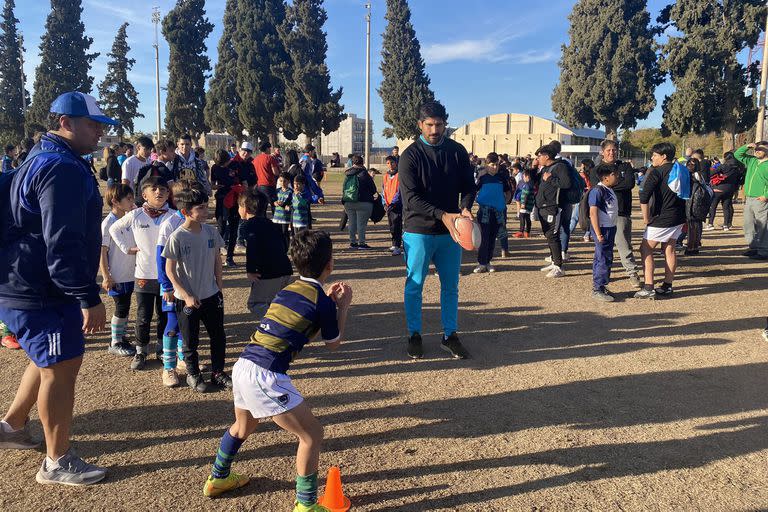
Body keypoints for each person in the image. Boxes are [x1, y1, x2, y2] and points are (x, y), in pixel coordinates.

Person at [0, 91, 112, 485]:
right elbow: (60, 242)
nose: (100, 132)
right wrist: (86, 295)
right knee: (60, 370)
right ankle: (56, 461)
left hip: (28, 283)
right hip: (41, 290)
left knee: (47, 360)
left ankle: (13, 425)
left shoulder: (41, 158)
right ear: (65, 122)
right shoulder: (60, 168)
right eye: (92, 124)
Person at [200, 230, 352, 512]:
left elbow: (299, 321)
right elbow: (333, 343)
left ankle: (218, 478)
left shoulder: (289, 289)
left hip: (244, 365)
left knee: (244, 426)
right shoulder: (321, 301)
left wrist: (329, 304)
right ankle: (306, 506)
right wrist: (342, 307)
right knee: (312, 435)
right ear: (330, 264)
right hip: (266, 374)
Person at [398, 100, 475, 360]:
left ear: (445, 123)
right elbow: (411, 199)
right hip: (418, 230)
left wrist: (465, 207)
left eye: (439, 124)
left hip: (450, 232)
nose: (434, 130)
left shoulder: (457, 151)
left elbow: (469, 186)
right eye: (429, 125)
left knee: (451, 286)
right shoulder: (410, 156)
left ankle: (449, 336)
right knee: (414, 285)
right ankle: (414, 335)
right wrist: (443, 215)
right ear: (420, 125)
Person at [164, 187, 230, 393]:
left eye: (206, 206)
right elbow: (169, 269)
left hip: (211, 296)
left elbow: (217, 260)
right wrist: (185, 295)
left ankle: (218, 372)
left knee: (218, 335)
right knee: (190, 339)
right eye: (201, 208)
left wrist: (219, 288)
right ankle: (193, 373)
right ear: (186, 212)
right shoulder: (177, 237)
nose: (206, 211)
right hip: (187, 300)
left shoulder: (211, 232)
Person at [110, 176, 176, 371]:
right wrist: (126, 248)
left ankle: (162, 349)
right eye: (153, 188)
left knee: (164, 315)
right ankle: (141, 351)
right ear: (144, 194)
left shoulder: (173, 215)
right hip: (143, 275)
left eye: (163, 188)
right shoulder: (136, 214)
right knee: (143, 316)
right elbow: (114, 228)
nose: (159, 192)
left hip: (167, 277)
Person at [156, 180, 205, 387]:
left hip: (191, 285)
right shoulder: (169, 223)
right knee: (173, 324)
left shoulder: (198, 223)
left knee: (187, 325)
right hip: (173, 286)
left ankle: (183, 358)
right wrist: (166, 285)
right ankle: (168, 368)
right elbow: (161, 257)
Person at [635, 142, 687, 299]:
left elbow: (643, 196)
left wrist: (646, 218)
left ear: (664, 156)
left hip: (662, 217)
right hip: (679, 216)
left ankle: (648, 286)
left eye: (655, 155)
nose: (652, 157)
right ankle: (667, 286)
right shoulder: (682, 169)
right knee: (669, 248)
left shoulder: (657, 172)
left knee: (645, 249)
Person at [591, 140, 641, 287]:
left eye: (614, 150)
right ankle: (603, 275)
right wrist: (617, 184)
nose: (611, 152)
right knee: (603, 248)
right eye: (608, 150)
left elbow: (629, 184)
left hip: (622, 212)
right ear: (602, 152)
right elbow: (597, 187)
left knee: (624, 245)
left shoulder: (624, 166)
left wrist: (610, 184)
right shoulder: (596, 170)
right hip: (603, 214)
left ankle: (632, 273)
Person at [240, 189, 293, 318]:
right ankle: (285, 323)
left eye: (239, 206)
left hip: (268, 273)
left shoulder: (248, 226)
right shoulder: (272, 224)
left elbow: (252, 248)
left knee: (256, 304)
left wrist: (251, 270)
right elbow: (285, 243)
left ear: (245, 208)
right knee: (279, 302)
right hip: (285, 268)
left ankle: (279, 325)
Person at [100, 184, 137, 357]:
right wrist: (106, 276)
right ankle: (115, 341)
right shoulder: (108, 223)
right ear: (115, 201)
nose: (132, 202)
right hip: (117, 275)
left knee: (126, 305)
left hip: (130, 273)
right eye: (128, 199)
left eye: (132, 198)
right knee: (121, 307)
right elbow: (102, 251)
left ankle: (121, 336)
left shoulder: (129, 218)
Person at [535, 144, 572, 278]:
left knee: (553, 235)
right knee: (548, 235)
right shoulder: (545, 168)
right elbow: (535, 181)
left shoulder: (560, 166)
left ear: (546, 156)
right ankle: (553, 260)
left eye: (539, 156)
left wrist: (550, 179)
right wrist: (534, 167)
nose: (537, 158)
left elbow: (566, 184)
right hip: (543, 207)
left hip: (554, 207)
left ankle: (559, 266)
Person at [474, 152, 511, 273]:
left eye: (496, 165)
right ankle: (481, 263)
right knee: (483, 238)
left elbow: (508, 192)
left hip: (498, 213)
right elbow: (473, 190)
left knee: (492, 238)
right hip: (484, 212)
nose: (494, 167)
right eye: (492, 164)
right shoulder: (482, 178)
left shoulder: (502, 178)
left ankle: (488, 261)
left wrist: (503, 202)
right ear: (486, 165)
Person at [588, 166, 620, 302]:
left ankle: (600, 285)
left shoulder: (609, 190)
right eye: (615, 174)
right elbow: (593, 212)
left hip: (610, 228)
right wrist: (598, 233)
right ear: (606, 177)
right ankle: (598, 288)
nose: (617, 177)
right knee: (603, 258)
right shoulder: (597, 191)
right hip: (603, 229)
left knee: (604, 257)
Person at [211, 149, 245, 267]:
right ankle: (216, 257)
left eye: (224, 163)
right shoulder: (215, 168)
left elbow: (243, 181)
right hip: (221, 200)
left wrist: (240, 190)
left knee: (234, 228)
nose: (223, 166)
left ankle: (230, 257)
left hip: (235, 200)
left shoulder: (236, 165)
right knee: (221, 228)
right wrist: (215, 186)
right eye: (220, 164)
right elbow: (212, 183)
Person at [734, 142, 768, 260]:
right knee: (748, 224)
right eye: (756, 149)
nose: (757, 151)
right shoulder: (752, 161)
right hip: (749, 198)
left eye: (760, 149)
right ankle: (753, 247)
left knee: (762, 225)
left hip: (761, 200)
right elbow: (738, 155)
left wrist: (766, 195)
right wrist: (747, 147)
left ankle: (764, 250)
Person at [342, 154, 377, 249]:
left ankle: (352, 242)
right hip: (364, 202)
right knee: (361, 224)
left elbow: (344, 188)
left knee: (352, 222)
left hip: (349, 202)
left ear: (352, 163)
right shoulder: (364, 174)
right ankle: (361, 243)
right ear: (362, 163)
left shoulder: (347, 174)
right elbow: (373, 189)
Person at [705, 151, 742, 231]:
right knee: (726, 207)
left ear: (726, 158)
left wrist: (719, 175)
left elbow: (711, 173)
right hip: (730, 189)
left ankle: (710, 223)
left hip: (718, 188)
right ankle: (726, 225)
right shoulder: (737, 167)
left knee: (713, 206)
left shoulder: (723, 166)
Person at [133, 139, 178, 206]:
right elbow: (173, 190)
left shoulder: (152, 165)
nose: (174, 154)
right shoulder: (163, 169)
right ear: (162, 152)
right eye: (171, 151)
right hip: (163, 205)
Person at [383, 155, 403, 255]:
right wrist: (384, 203)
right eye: (388, 163)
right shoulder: (386, 176)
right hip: (388, 205)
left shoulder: (400, 175)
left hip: (397, 205)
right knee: (391, 225)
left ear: (396, 163)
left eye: (392, 163)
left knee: (397, 225)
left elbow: (399, 191)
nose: (390, 165)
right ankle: (394, 244)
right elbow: (384, 191)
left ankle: (398, 246)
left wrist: (393, 203)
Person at [684, 159, 704, 256]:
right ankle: (694, 246)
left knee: (692, 226)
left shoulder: (695, 175)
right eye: (689, 163)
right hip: (695, 202)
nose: (690, 165)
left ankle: (691, 247)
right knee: (695, 226)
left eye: (693, 164)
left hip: (693, 202)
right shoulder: (698, 175)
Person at [254, 141, 281, 213]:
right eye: (269, 148)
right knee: (275, 206)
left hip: (259, 185)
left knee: (262, 207)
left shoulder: (255, 159)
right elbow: (275, 172)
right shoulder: (270, 158)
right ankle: (277, 222)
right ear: (267, 148)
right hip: (269, 185)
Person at [274, 171, 294, 246]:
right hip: (277, 216)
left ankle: (286, 247)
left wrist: (287, 205)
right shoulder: (277, 191)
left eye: (284, 181)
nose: (282, 183)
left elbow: (292, 203)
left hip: (285, 216)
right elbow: (274, 200)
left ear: (288, 181)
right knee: (277, 233)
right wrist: (274, 203)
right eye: (281, 181)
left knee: (285, 232)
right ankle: (279, 247)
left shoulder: (291, 192)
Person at [514, 169, 535, 238]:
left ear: (527, 176)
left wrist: (523, 203)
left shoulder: (526, 185)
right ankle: (527, 232)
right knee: (527, 218)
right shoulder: (532, 184)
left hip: (525, 204)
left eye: (523, 177)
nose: (523, 178)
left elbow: (525, 195)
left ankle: (521, 231)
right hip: (530, 204)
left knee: (522, 217)